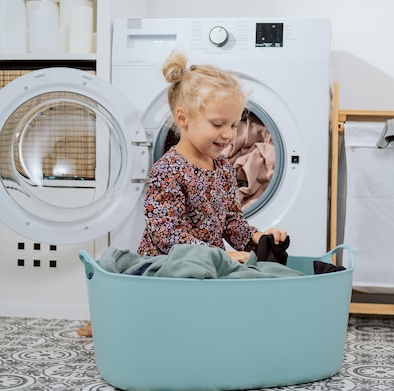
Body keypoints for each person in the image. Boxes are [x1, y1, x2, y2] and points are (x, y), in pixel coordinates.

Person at [77, 50, 287, 337]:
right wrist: (219, 256)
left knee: (246, 285)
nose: (228, 134)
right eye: (218, 124)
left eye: (234, 124)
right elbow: (168, 234)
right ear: (183, 118)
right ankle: (111, 316)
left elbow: (231, 222)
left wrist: (256, 237)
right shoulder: (168, 170)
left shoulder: (223, 168)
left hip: (205, 264)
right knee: (151, 320)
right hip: (166, 267)